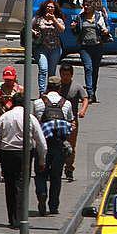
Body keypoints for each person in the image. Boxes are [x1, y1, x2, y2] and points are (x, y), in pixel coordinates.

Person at [0, 93, 47, 228]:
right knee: (22, 185)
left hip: (6, 154)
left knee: (9, 186)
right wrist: (42, 160)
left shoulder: (4, 117)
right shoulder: (30, 118)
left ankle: (12, 217)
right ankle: (21, 217)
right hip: (24, 154)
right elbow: (41, 141)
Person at [33, 77, 74, 216]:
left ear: (47, 87)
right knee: (56, 176)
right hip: (58, 145)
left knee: (40, 173)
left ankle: (42, 193)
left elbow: (34, 123)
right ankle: (54, 205)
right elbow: (70, 123)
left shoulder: (38, 103)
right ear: (59, 87)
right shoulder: (66, 103)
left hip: (41, 144)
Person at [70, 0, 111, 102]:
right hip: (84, 47)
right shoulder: (80, 17)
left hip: (97, 45)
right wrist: (74, 28)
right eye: (85, 5)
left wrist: (106, 31)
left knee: (95, 70)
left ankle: (93, 90)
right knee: (88, 68)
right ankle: (89, 93)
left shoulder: (99, 16)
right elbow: (75, 33)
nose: (86, 7)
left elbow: (106, 27)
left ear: (93, 6)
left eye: (88, 5)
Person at [55, 65, 88, 182]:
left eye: (67, 75)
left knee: (71, 146)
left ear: (71, 75)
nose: (65, 77)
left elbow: (85, 98)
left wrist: (83, 110)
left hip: (72, 121)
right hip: (57, 120)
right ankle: (56, 167)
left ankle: (69, 168)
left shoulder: (76, 87)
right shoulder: (56, 86)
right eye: (63, 74)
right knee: (57, 145)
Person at [32, 0, 66, 94]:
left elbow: (62, 30)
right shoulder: (38, 19)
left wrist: (53, 19)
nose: (49, 8)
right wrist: (33, 32)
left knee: (52, 72)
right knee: (43, 69)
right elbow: (27, 27)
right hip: (41, 47)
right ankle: (42, 92)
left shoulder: (58, 19)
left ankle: (51, 92)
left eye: (52, 7)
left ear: (55, 9)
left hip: (55, 48)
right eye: (48, 6)